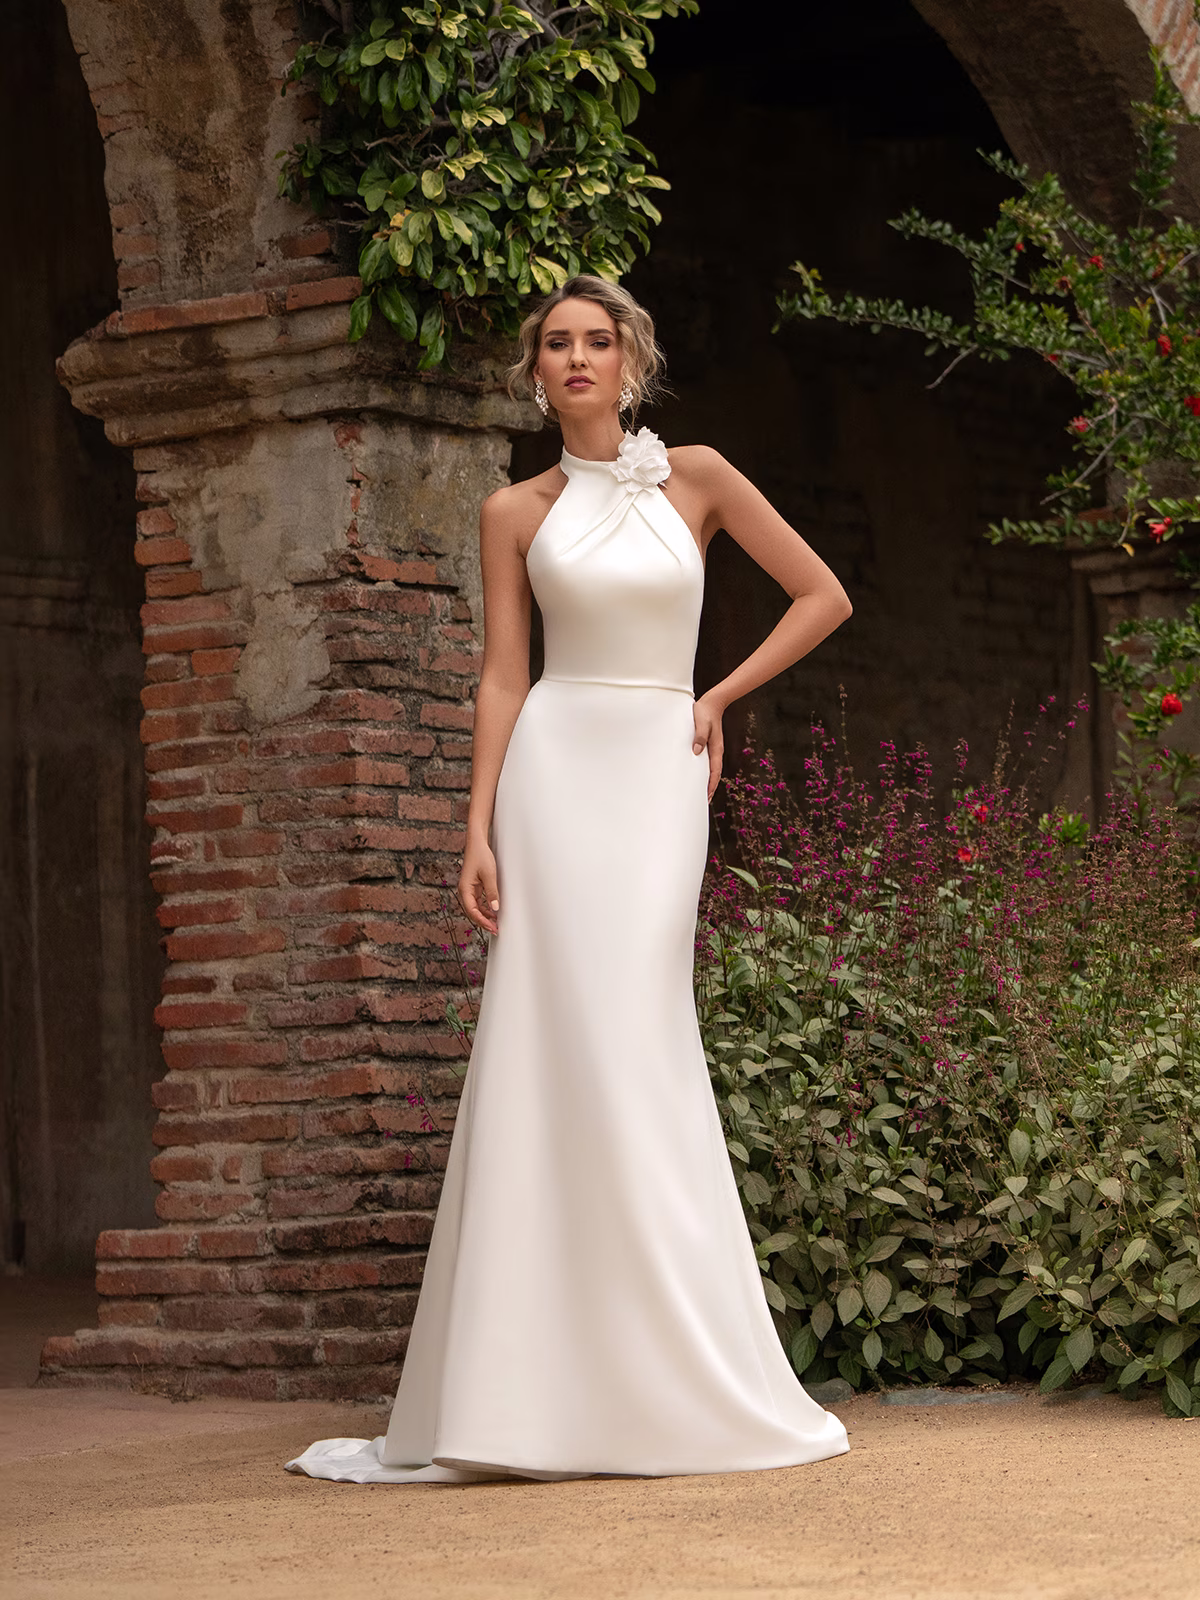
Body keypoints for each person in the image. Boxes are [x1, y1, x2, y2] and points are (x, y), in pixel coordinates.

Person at [286, 275, 853, 1485]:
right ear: (534, 372)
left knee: (639, 1034)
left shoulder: (694, 475)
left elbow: (824, 594)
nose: (580, 359)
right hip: (552, 777)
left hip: (655, 775)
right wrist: (475, 825)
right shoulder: (512, 511)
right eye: (559, 344)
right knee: (547, 1044)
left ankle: (670, 1367)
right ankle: (530, 1383)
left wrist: (713, 695)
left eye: (600, 342)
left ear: (631, 363)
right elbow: (503, 676)